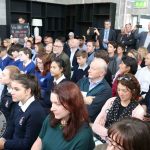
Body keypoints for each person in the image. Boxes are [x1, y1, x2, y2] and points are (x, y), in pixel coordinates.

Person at [31, 81, 95, 150]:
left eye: (57, 104)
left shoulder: (83, 135)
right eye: (52, 103)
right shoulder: (51, 117)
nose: (52, 108)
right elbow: (39, 141)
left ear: (72, 104)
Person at [92, 73, 145, 143]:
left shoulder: (138, 111)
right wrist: (111, 135)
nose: (120, 93)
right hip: (101, 139)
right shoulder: (111, 101)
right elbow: (95, 126)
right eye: (119, 89)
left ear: (133, 91)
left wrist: (105, 133)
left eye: (124, 91)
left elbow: (129, 137)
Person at [0, 74, 46, 150]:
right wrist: (3, 138)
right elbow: (11, 125)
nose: (12, 92)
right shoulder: (18, 104)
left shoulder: (36, 113)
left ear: (28, 91)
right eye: (12, 88)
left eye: (16, 89)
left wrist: (5, 144)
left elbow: (28, 144)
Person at [77, 58, 112, 122]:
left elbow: (90, 111)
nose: (89, 70)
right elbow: (70, 97)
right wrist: (84, 100)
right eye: (90, 67)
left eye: (93, 69)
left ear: (101, 73)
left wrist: (77, 100)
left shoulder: (106, 90)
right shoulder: (83, 81)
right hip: (75, 118)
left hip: (88, 124)